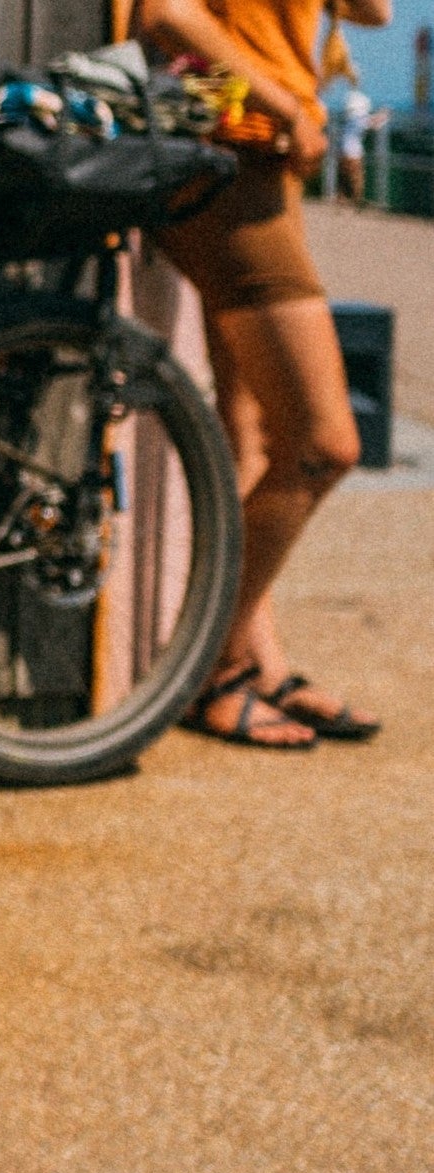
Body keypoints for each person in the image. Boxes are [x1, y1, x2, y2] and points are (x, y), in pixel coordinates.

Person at [136, 0, 388, 746]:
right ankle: (208, 665)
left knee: (250, 433)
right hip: (232, 155)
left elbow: (371, 12)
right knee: (322, 444)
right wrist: (283, 105)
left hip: (261, 159)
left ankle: (255, 665)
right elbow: (167, 13)